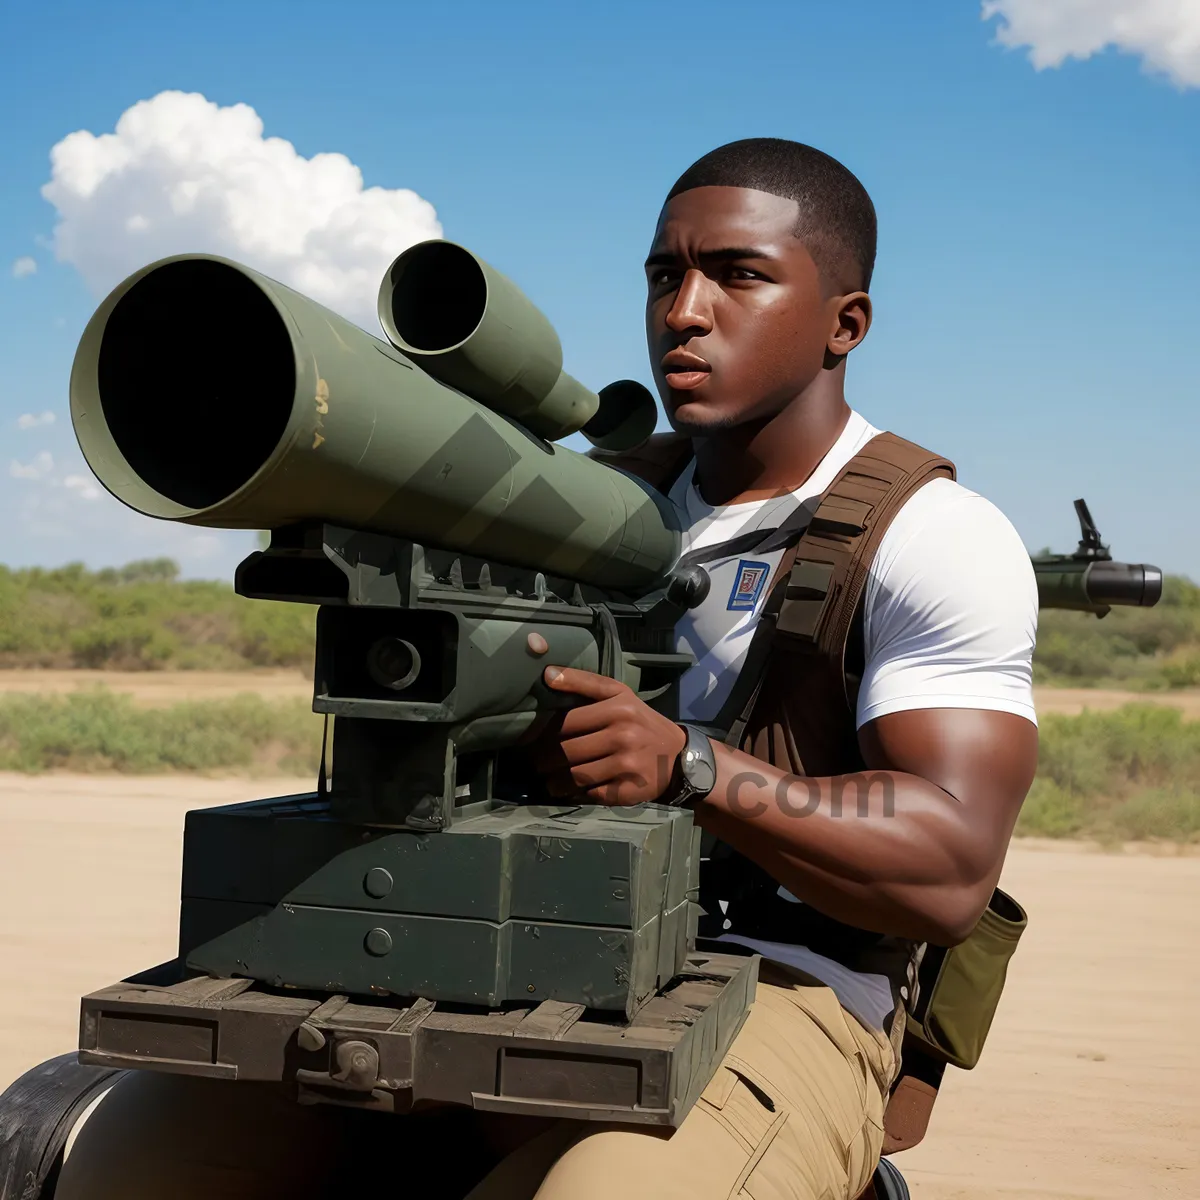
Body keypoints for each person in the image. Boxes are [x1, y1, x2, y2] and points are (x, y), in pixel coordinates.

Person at [56, 139, 1038, 1200]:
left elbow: (947, 868)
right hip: (498, 954)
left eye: (738, 274)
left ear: (845, 323)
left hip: (787, 988)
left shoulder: (930, 534)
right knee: (129, 1157)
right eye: (666, 276)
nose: (683, 311)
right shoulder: (575, 511)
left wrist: (689, 769)